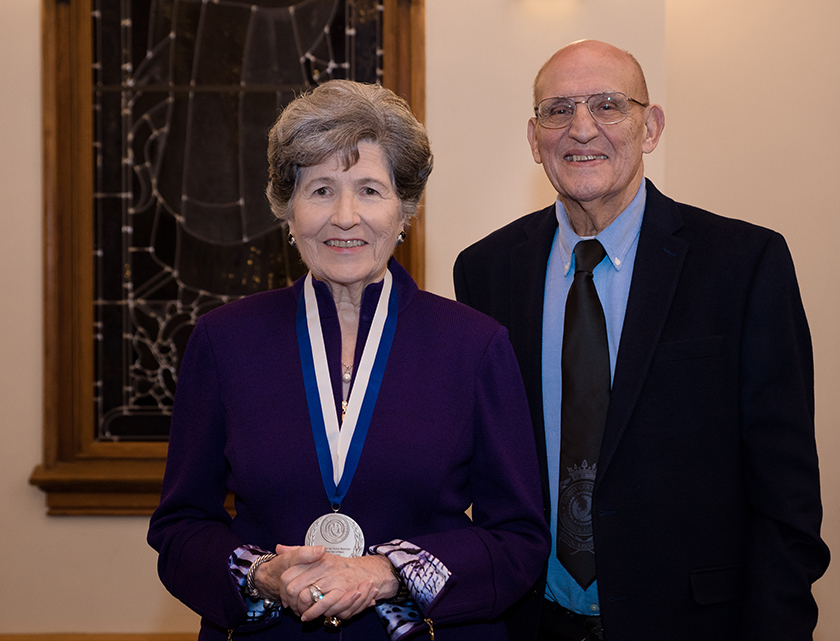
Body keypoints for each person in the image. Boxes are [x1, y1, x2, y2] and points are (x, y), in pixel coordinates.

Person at [453, 40, 830, 641]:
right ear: (533, 138)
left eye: (607, 105)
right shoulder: (485, 271)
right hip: (528, 621)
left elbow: (787, 495)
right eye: (558, 110)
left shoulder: (743, 264)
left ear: (649, 126)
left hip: (693, 623)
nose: (581, 129)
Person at [148, 79, 550, 641]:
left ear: (403, 209)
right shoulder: (223, 342)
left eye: (368, 189)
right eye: (319, 190)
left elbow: (518, 538)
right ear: (287, 210)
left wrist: (389, 572)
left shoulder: (474, 345)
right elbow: (181, 527)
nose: (344, 216)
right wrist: (262, 575)